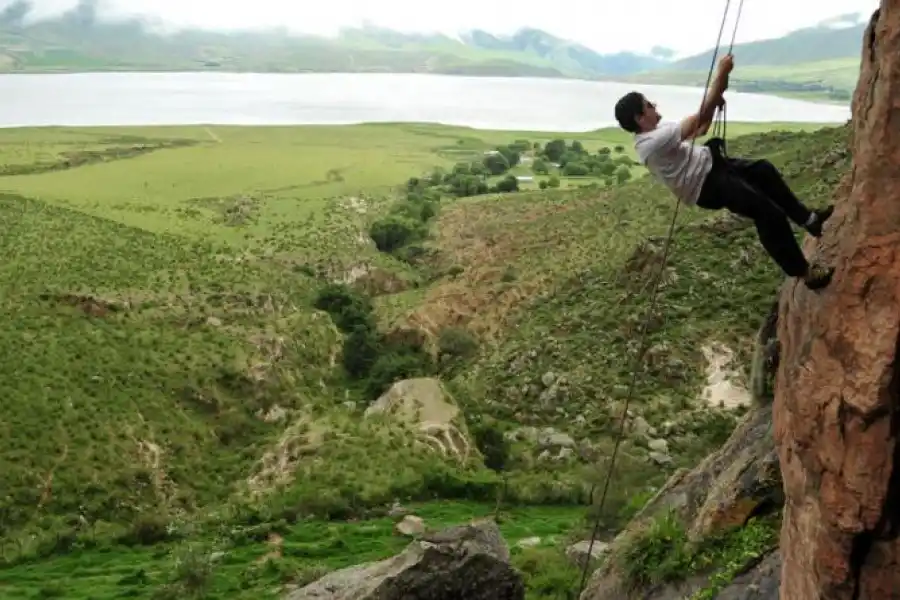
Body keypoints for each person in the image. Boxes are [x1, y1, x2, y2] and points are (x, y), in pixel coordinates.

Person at [612, 53, 835, 290]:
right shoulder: (651, 142)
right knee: (768, 214)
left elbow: (702, 125)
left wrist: (717, 93)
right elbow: (701, 115)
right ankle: (805, 273)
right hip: (707, 185)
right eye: (648, 105)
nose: (654, 105)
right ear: (640, 118)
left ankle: (809, 220)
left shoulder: (659, 130)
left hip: (712, 166)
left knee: (763, 170)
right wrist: (721, 74)